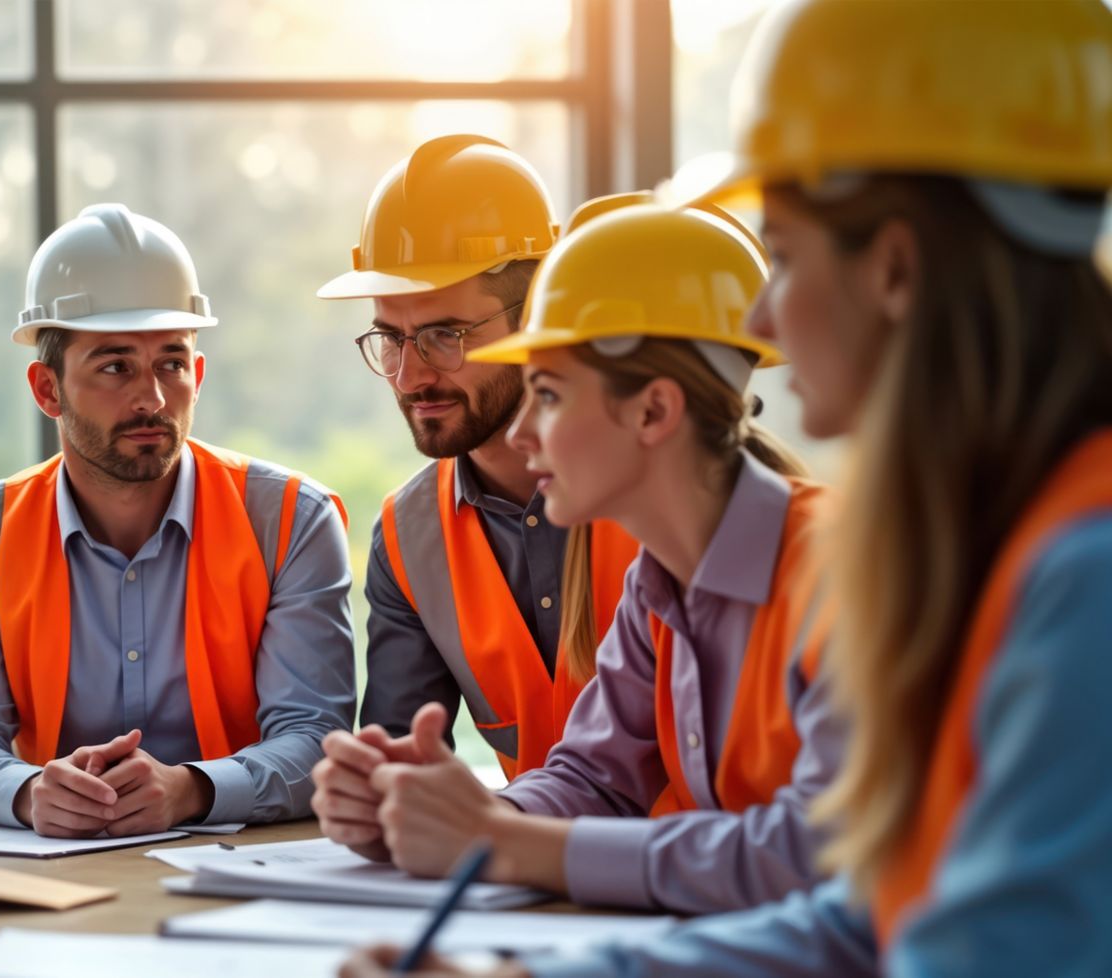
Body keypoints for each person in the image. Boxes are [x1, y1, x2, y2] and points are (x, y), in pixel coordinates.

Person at [343, 0, 1112, 973]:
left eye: (781, 255)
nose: (759, 322)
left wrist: (511, 849)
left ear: (893, 268)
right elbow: (864, 918)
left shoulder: (1079, 573)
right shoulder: (987, 547)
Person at [347, 198, 840, 915]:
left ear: (654, 412)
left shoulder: (842, 577)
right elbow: (596, 778)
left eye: (547, 395)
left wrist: (506, 843)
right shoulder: (660, 583)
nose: (523, 436)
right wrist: (460, 820)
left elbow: (818, 857)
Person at [0, 203, 355, 837]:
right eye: (115, 367)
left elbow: (317, 737)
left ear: (197, 376)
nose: (151, 398)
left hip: (242, 867)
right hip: (58, 870)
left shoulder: (291, 520)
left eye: (171, 364)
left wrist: (193, 789)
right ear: (47, 389)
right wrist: (31, 793)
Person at [310, 137, 643, 865]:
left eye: (445, 335)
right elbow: (403, 761)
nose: (410, 376)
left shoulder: (653, 496)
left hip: (685, 883)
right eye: (391, 339)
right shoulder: (409, 536)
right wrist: (373, 799)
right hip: (523, 880)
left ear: (537, 316)